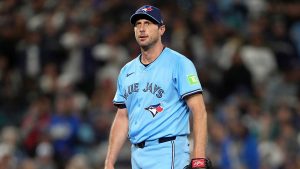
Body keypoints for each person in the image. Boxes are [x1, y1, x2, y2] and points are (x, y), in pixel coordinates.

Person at [104, 5, 211, 169]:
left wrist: (198, 158)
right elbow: (122, 117)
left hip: (168, 150)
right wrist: (109, 161)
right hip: (137, 154)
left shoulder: (180, 63)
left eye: (148, 23)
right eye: (138, 24)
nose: (141, 29)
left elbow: (199, 111)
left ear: (161, 29)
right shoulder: (127, 71)